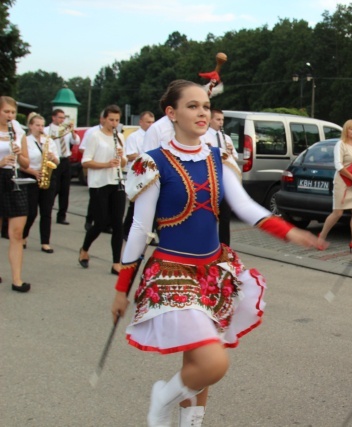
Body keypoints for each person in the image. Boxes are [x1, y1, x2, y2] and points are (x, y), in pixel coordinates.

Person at [110, 79, 325, 427]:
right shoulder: (151, 164)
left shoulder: (218, 157)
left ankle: (190, 422)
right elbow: (138, 229)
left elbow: (246, 206)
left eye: (205, 107)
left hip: (214, 271)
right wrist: (122, 288)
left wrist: (290, 232)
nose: (201, 113)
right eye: (192, 106)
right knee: (213, 363)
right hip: (173, 272)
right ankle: (161, 400)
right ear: (172, 113)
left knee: (200, 361)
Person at [79, 105, 127, 275]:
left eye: (117, 120)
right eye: (111, 120)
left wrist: (121, 157)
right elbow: (85, 162)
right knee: (100, 222)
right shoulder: (95, 136)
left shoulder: (120, 136)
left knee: (117, 224)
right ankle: (84, 249)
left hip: (117, 183)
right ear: (103, 119)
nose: (114, 123)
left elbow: (124, 163)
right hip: (99, 184)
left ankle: (116, 262)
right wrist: (106, 164)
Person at [318, 120, 352, 254]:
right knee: (338, 212)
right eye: (351, 129)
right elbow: (338, 165)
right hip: (342, 183)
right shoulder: (340, 144)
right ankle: (321, 237)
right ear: (346, 130)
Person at [0, 96, 31, 292]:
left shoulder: (18, 133)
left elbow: (27, 164)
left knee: (17, 233)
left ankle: (17, 279)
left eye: (12, 112)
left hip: (14, 179)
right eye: (6, 112)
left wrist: (19, 154)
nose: (10, 116)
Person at [20, 113, 59, 253]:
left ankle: (45, 242)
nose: (40, 128)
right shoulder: (26, 140)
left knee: (47, 211)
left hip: (48, 177)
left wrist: (53, 157)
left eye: (42, 125)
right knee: (31, 212)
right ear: (30, 126)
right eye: (37, 125)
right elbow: (21, 163)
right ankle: (23, 236)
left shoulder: (48, 141)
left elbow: (57, 161)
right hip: (31, 176)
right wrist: (34, 172)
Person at [201, 108, 238, 245]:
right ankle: (207, 243)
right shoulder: (203, 136)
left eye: (222, 120)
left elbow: (235, 158)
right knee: (208, 214)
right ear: (210, 120)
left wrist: (230, 152)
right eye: (218, 119)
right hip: (209, 180)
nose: (221, 123)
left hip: (225, 180)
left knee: (225, 215)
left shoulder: (226, 138)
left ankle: (225, 245)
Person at [123, 111, 155, 237]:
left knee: (152, 206)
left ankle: (148, 234)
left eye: (153, 122)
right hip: (139, 174)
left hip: (152, 174)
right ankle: (126, 231)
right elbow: (130, 155)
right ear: (140, 122)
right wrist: (145, 156)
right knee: (135, 205)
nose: (151, 125)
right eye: (148, 122)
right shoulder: (134, 137)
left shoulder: (155, 136)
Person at [45, 108, 80, 225]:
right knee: (54, 188)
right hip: (54, 160)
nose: (62, 120)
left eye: (63, 118)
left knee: (65, 190)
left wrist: (73, 131)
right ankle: (47, 212)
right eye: (60, 117)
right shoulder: (47, 130)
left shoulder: (66, 131)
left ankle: (62, 216)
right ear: (53, 117)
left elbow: (76, 142)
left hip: (66, 160)